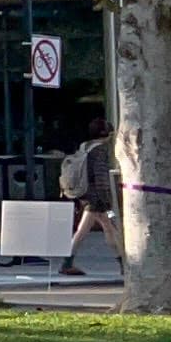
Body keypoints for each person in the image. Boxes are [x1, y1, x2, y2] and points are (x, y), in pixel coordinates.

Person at [57, 115, 118, 278]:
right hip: (97, 199)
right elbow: (101, 177)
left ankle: (67, 262)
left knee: (95, 229)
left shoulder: (85, 147)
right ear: (105, 133)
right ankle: (124, 263)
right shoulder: (100, 151)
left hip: (87, 195)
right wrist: (107, 199)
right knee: (107, 228)